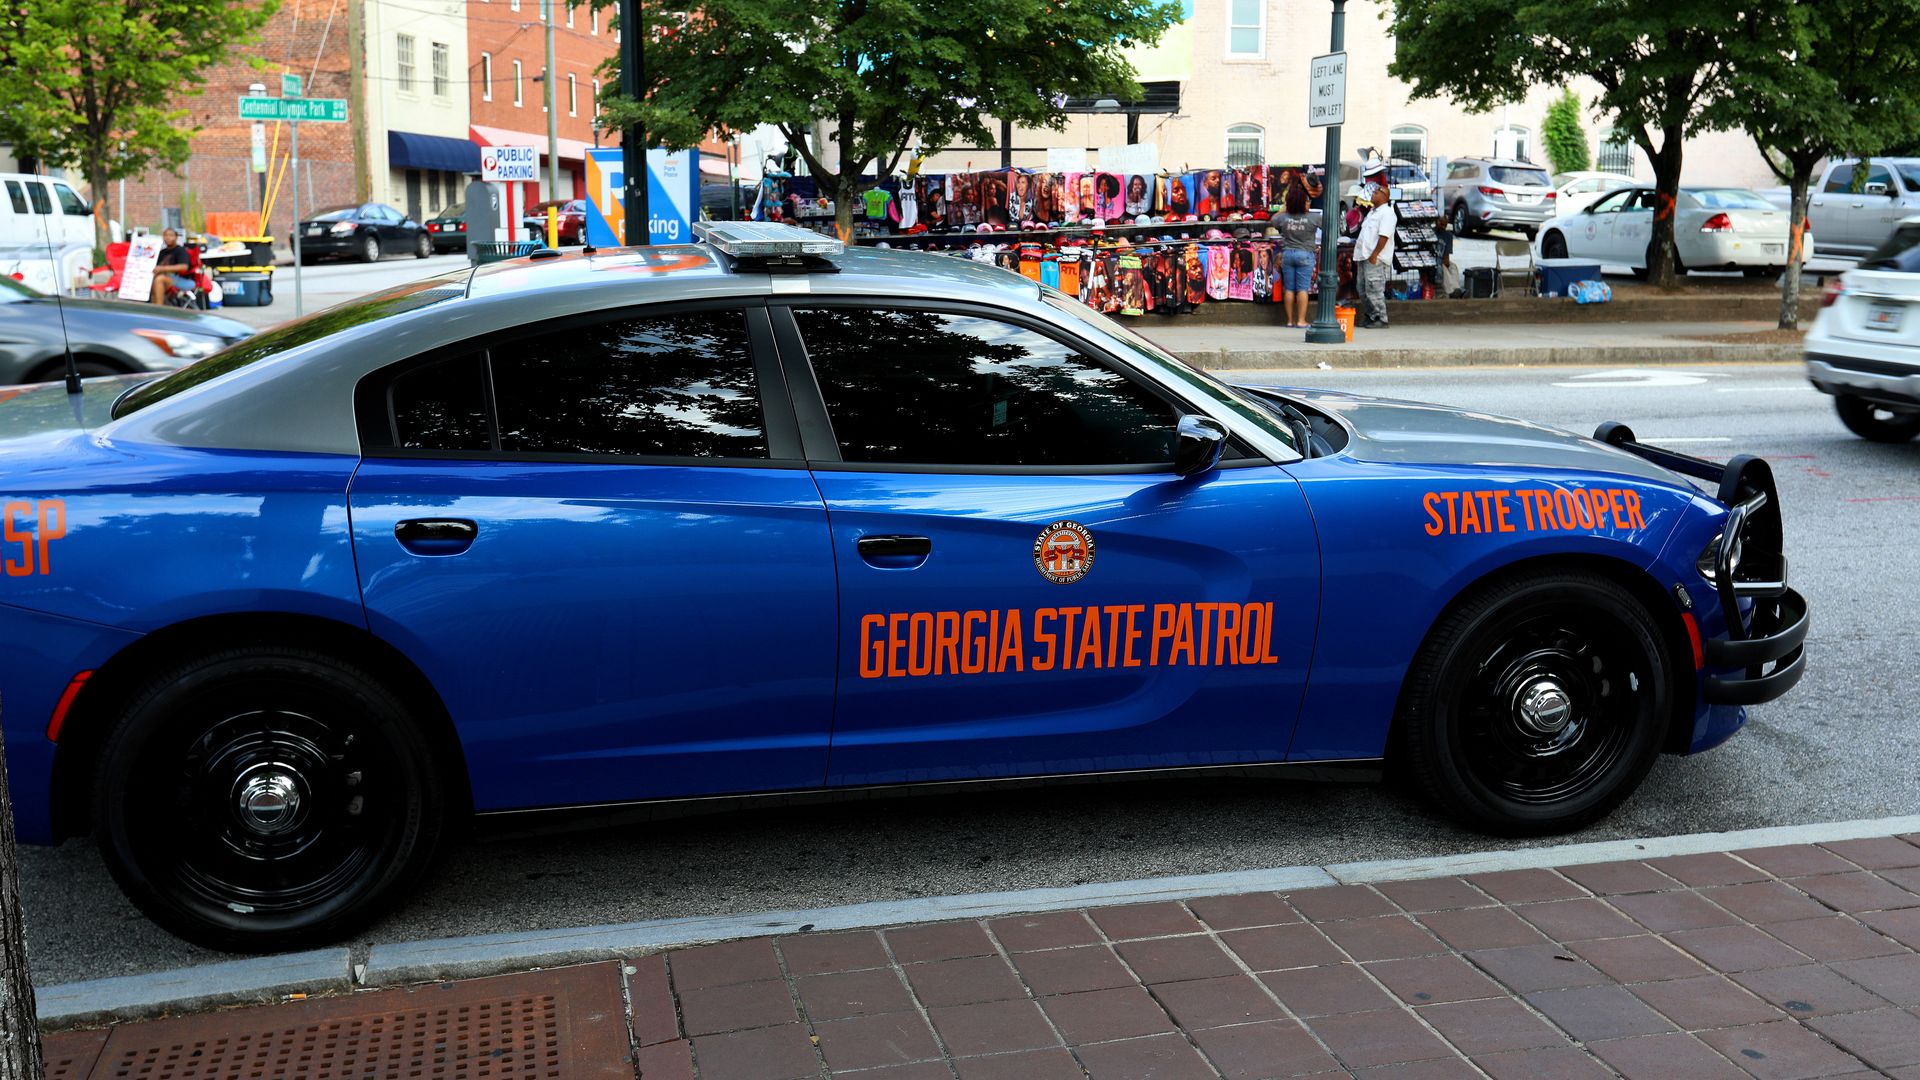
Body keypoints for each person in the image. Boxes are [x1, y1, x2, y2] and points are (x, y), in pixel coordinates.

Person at [1276, 184, 1322, 329]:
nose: (1309, 203)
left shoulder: (1284, 218)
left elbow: (1273, 220)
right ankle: (1301, 320)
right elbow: (1329, 227)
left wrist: (1284, 208)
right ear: (1301, 203)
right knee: (1302, 289)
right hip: (1305, 254)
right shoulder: (1314, 217)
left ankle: (1289, 321)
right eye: (1307, 201)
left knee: (1289, 289)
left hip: (1288, 254)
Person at [1354, 185, 1397, 328]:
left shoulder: (1387, 213)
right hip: (1364, 256)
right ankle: (1370, 316)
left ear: (1384, 195)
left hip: (1375, 258)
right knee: (1362, 288)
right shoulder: (1372, 212)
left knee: (1374, 288)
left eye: (1376, 192)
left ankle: (1380, 318)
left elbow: (1383, 236)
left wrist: (1375, 254)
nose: (1372, 194)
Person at [149, 228, 195, 306]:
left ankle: (158, 308)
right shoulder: (161, 252)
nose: (168, 237)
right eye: (165, 235)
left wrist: (162, 268)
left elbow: (184, 267)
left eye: (171, 235)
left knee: (159, 279)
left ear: (176, 237)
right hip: (164, 278)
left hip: (182, 280)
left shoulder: (180, 250)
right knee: (150, 279)